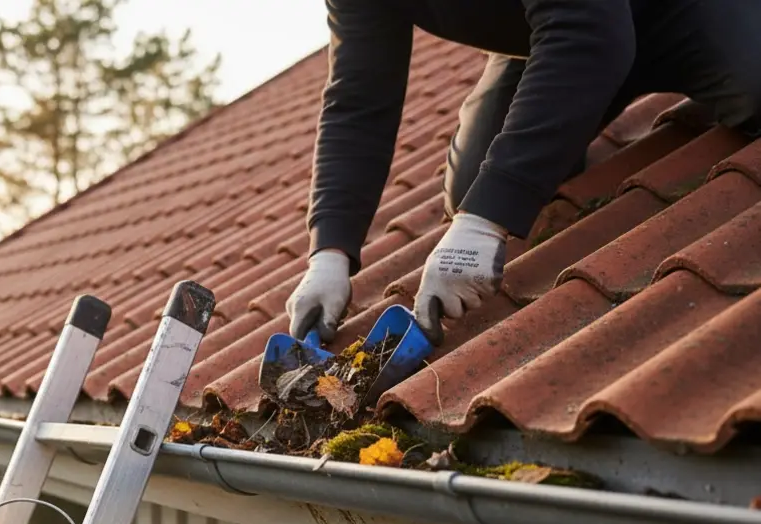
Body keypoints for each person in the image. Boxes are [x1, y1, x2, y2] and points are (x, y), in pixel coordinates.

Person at [286, 0, 761, 346]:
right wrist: (329, 250)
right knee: (474, 182)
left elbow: (591, 32)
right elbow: (358, 103)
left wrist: (483, 222)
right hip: (553, 30)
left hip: (667, 13)